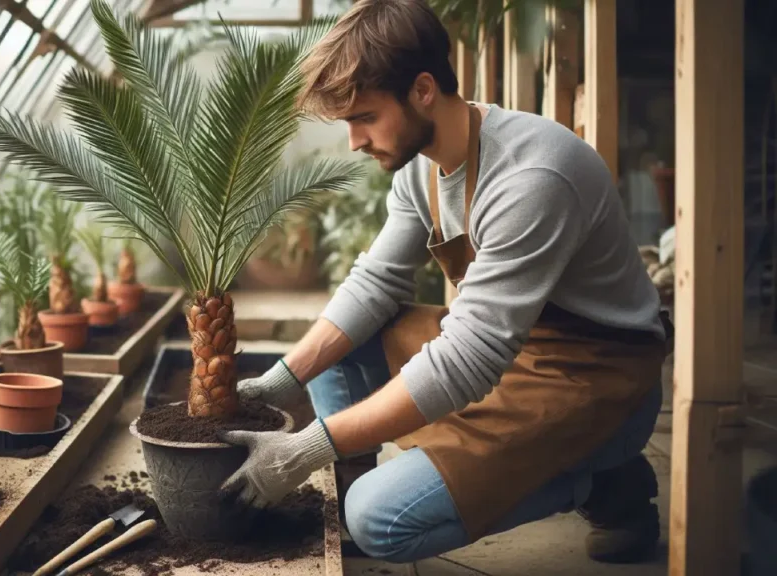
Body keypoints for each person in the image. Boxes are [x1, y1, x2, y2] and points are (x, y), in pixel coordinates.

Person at [219, 0, 671, 566]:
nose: (355, 141)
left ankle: (605, 480)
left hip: (595, 378)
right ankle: (347, 494)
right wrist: (281, 380)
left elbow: (468, 358)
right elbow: (376, 283)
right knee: (340, 343)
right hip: (515, 350)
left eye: (364, 117)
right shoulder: (419, 164)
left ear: (424, 89)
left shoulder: (534, 176)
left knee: (380, 520)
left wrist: (304, 449)